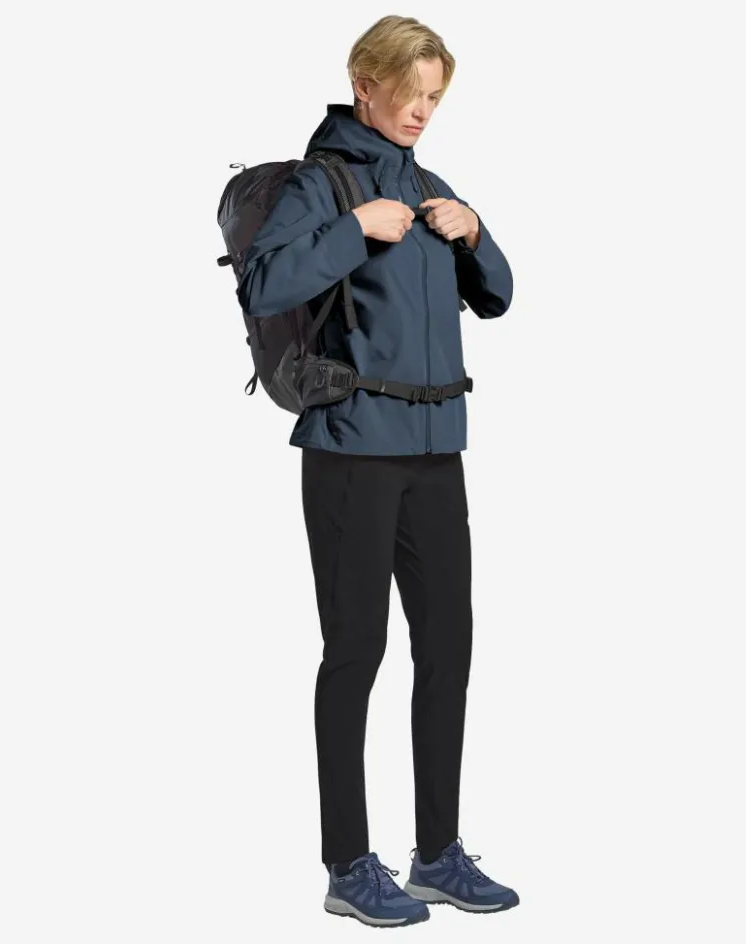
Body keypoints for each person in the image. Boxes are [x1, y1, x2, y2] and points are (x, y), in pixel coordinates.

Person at [237, 15, 519, 927]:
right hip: (351, 450)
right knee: (356, 653)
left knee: (448, 650)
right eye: (411, 93)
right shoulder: (320, 185)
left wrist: (475, 234)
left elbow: (500, 297)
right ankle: (348, 864)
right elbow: (264, 284)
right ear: (365, 84)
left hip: (437, 453)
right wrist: (353, 230)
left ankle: (437, 854)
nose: (423, 111)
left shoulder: (432, 187)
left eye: (436, 96)